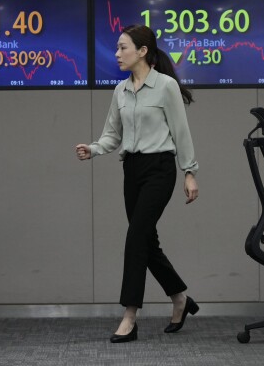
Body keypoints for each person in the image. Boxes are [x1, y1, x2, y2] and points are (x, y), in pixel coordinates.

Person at [75, 24, 200, 343]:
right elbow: (112, 135)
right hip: (132, 169)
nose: (116, 54)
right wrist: (94, 148)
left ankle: (130, 315)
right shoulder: (120, 90)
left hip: (160, 169)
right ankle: (180, 298)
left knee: (135, 237)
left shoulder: (166, 86)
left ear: (143, 51)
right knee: (146, 241)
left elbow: (181, 131)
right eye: (116, 48)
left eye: (122, 47)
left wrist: (189, 171)